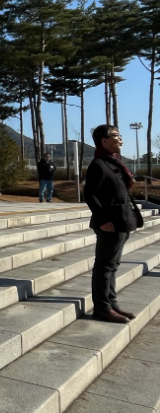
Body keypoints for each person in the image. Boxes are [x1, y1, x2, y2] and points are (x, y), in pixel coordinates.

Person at [84, 124, 141, 324]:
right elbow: (89, 195)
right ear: (104, 141)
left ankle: (112, 303)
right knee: (104, 267)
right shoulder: (99, 164)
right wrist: (103, 220)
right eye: (116, 136)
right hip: (110, 223)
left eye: (120, 135)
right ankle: (102, 308)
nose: (120, 139)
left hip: (122, 221)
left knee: (113, 265)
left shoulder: (115, 163)